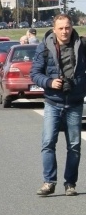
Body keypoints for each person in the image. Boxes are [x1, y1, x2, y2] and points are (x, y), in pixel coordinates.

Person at [30, 14, 86, 196]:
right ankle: (49, 182)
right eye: (60, 28)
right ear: (54, 29)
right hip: (53, 102)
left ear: (72, 27)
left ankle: (70, 183)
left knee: (74, 146)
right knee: (47, 143)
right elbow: (35, 73)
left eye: (67, 27)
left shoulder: (82, 45)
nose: (64, 32)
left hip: (75, 103)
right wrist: (49, 82)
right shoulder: (44, 47)